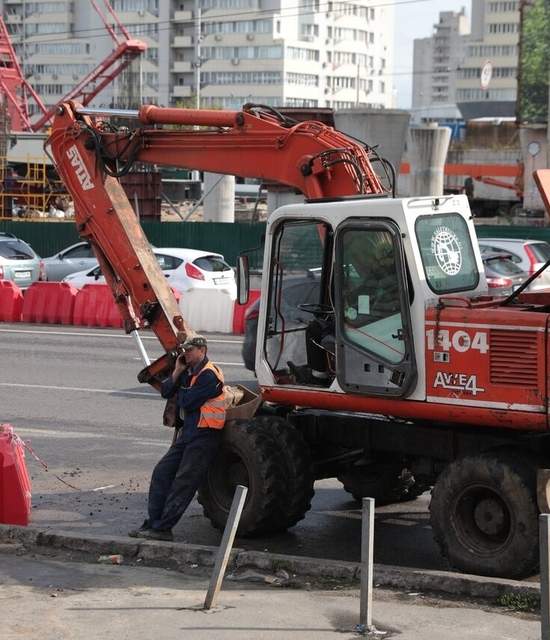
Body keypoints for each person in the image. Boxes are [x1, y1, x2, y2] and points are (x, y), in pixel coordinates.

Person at [129, 335, 226, 541]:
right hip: (189, 433)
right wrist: (177, 371)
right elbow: (166, 391)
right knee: (161, 472)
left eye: (190, 350)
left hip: (205, 435)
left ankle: (163, 528)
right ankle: (154, 523)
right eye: (185, 350)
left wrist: (180, 392)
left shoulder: (210, 375)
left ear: (202, 350)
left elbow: (187, 402)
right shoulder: (187, 371)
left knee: (184, 482)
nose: (186, 353)